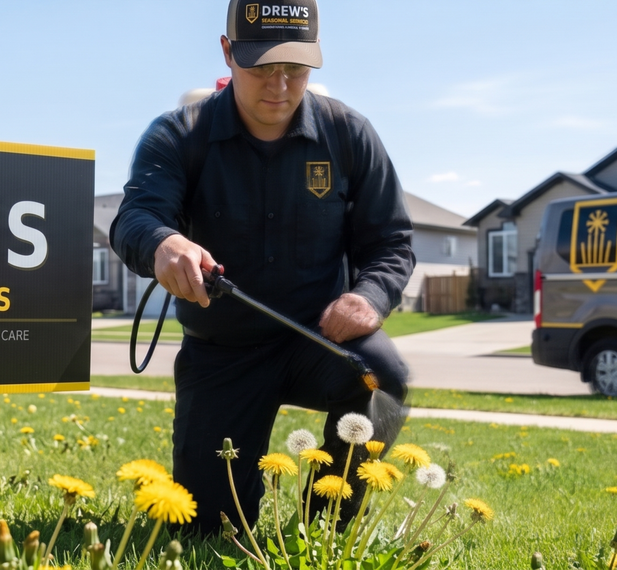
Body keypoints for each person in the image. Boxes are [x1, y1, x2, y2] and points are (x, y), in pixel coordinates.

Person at [110, 0, 415, 536]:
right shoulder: (179, 135)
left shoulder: (349, 135)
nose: (278, 85)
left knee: (383, 375)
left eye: (294, 69)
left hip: (317, 341)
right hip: (222, 354)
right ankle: (227, 507)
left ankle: (325, 521)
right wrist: (163, 242)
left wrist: (370, 295)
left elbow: (391, 240)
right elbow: (135, 216)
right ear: (227, 53)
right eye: (260, 68)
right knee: (210, 527)